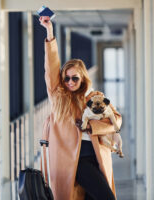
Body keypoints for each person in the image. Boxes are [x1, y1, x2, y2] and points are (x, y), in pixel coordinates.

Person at [39, 16, 122, 200]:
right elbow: (51, 70)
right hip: (74, 163)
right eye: (66, 78)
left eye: (75, 78)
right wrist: (50, 33)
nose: (70, 82)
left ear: (83, 78)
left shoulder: (95, 97)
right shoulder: (60, 98)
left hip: (97, 158)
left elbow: (116, 119)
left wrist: (93, 126)